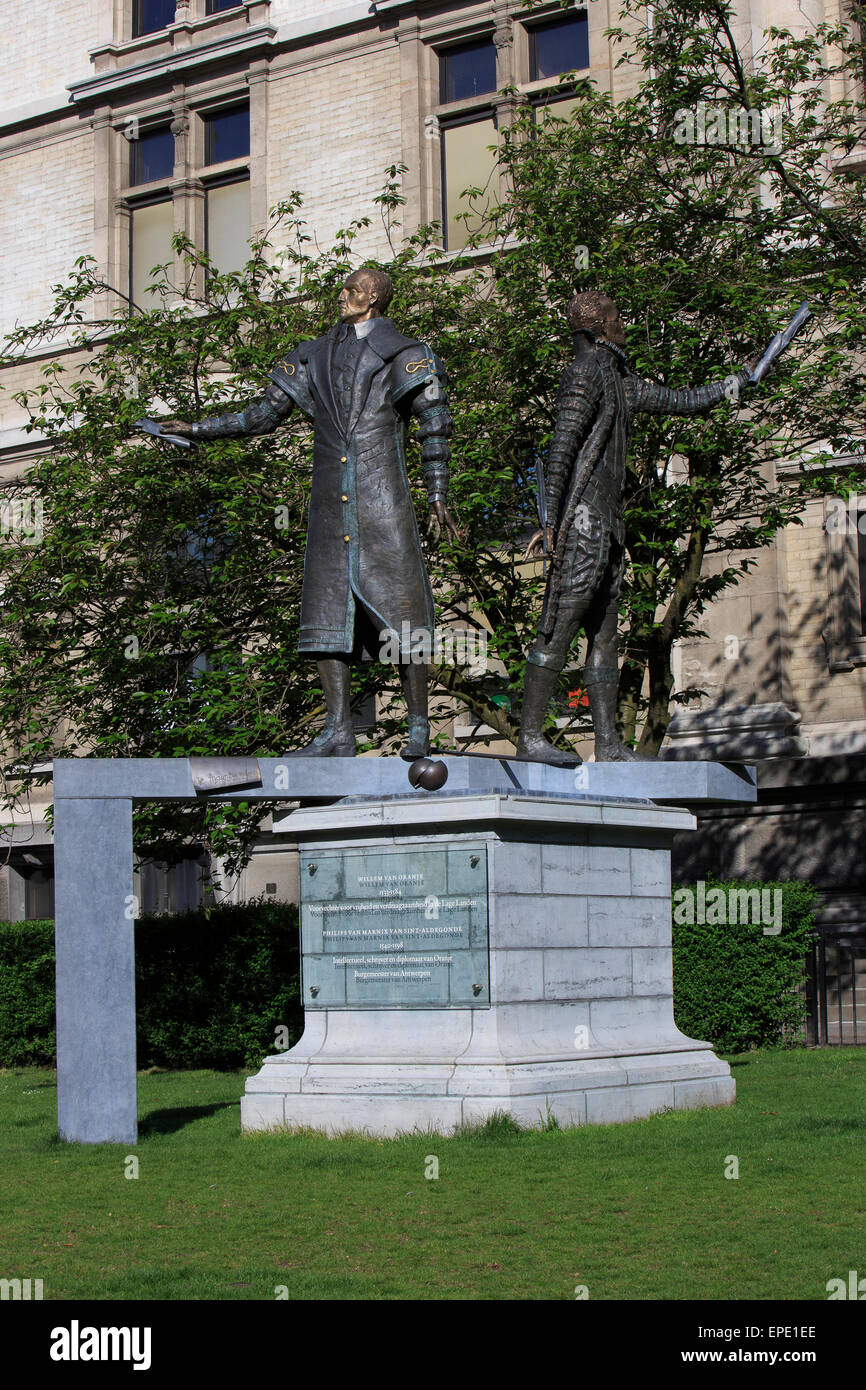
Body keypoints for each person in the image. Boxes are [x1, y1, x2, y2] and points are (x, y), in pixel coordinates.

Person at [160, 268, 458, 757]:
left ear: (374, 298)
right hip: (328, 506)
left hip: (383, 499)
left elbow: (434, 424)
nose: (342, 296)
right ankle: (338, 728)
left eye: (353, 290)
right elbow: (259, 416)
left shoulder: (407, 353)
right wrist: (195, 428)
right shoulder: (311, 354)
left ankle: (419, 725)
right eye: (343, 289)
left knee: (404, 609)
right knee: (327, 614)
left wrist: (438, 494)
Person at [517, 290, 752, 765]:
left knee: (605, 636)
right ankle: (529, 736)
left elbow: (683, 400)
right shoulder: (585, 372)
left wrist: (733, 384)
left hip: (607, 524)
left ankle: (608, 744)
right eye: (617, 317)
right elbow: (561, 447)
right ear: (598, 325)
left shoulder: (616, 378)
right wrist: (551, 519)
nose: (623, 324)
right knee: (558, 628)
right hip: (582, 521)